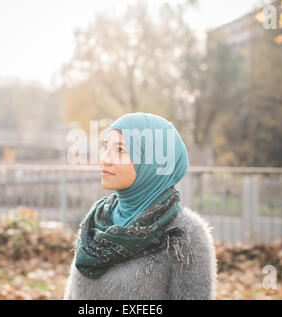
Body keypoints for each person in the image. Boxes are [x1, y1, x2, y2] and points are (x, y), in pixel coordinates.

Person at [63, 112, 217, 300]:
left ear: (151, 161)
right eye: (106, 147)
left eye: (120, 150)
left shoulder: (184, 234)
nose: (105, 159)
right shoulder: (97, 220)